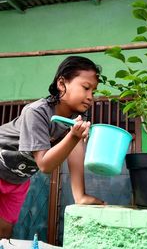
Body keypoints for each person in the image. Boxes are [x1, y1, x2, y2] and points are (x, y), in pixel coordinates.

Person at [0, 55, 105, 239]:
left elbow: (74, 150)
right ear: (62, 84)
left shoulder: (72, 121)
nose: (90, 97)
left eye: (93, 91)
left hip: (17, 180)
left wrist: (80, 196)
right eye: (86, 88)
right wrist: (73, 136)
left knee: (4, 231)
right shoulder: (37, 112)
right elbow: (45, 165)